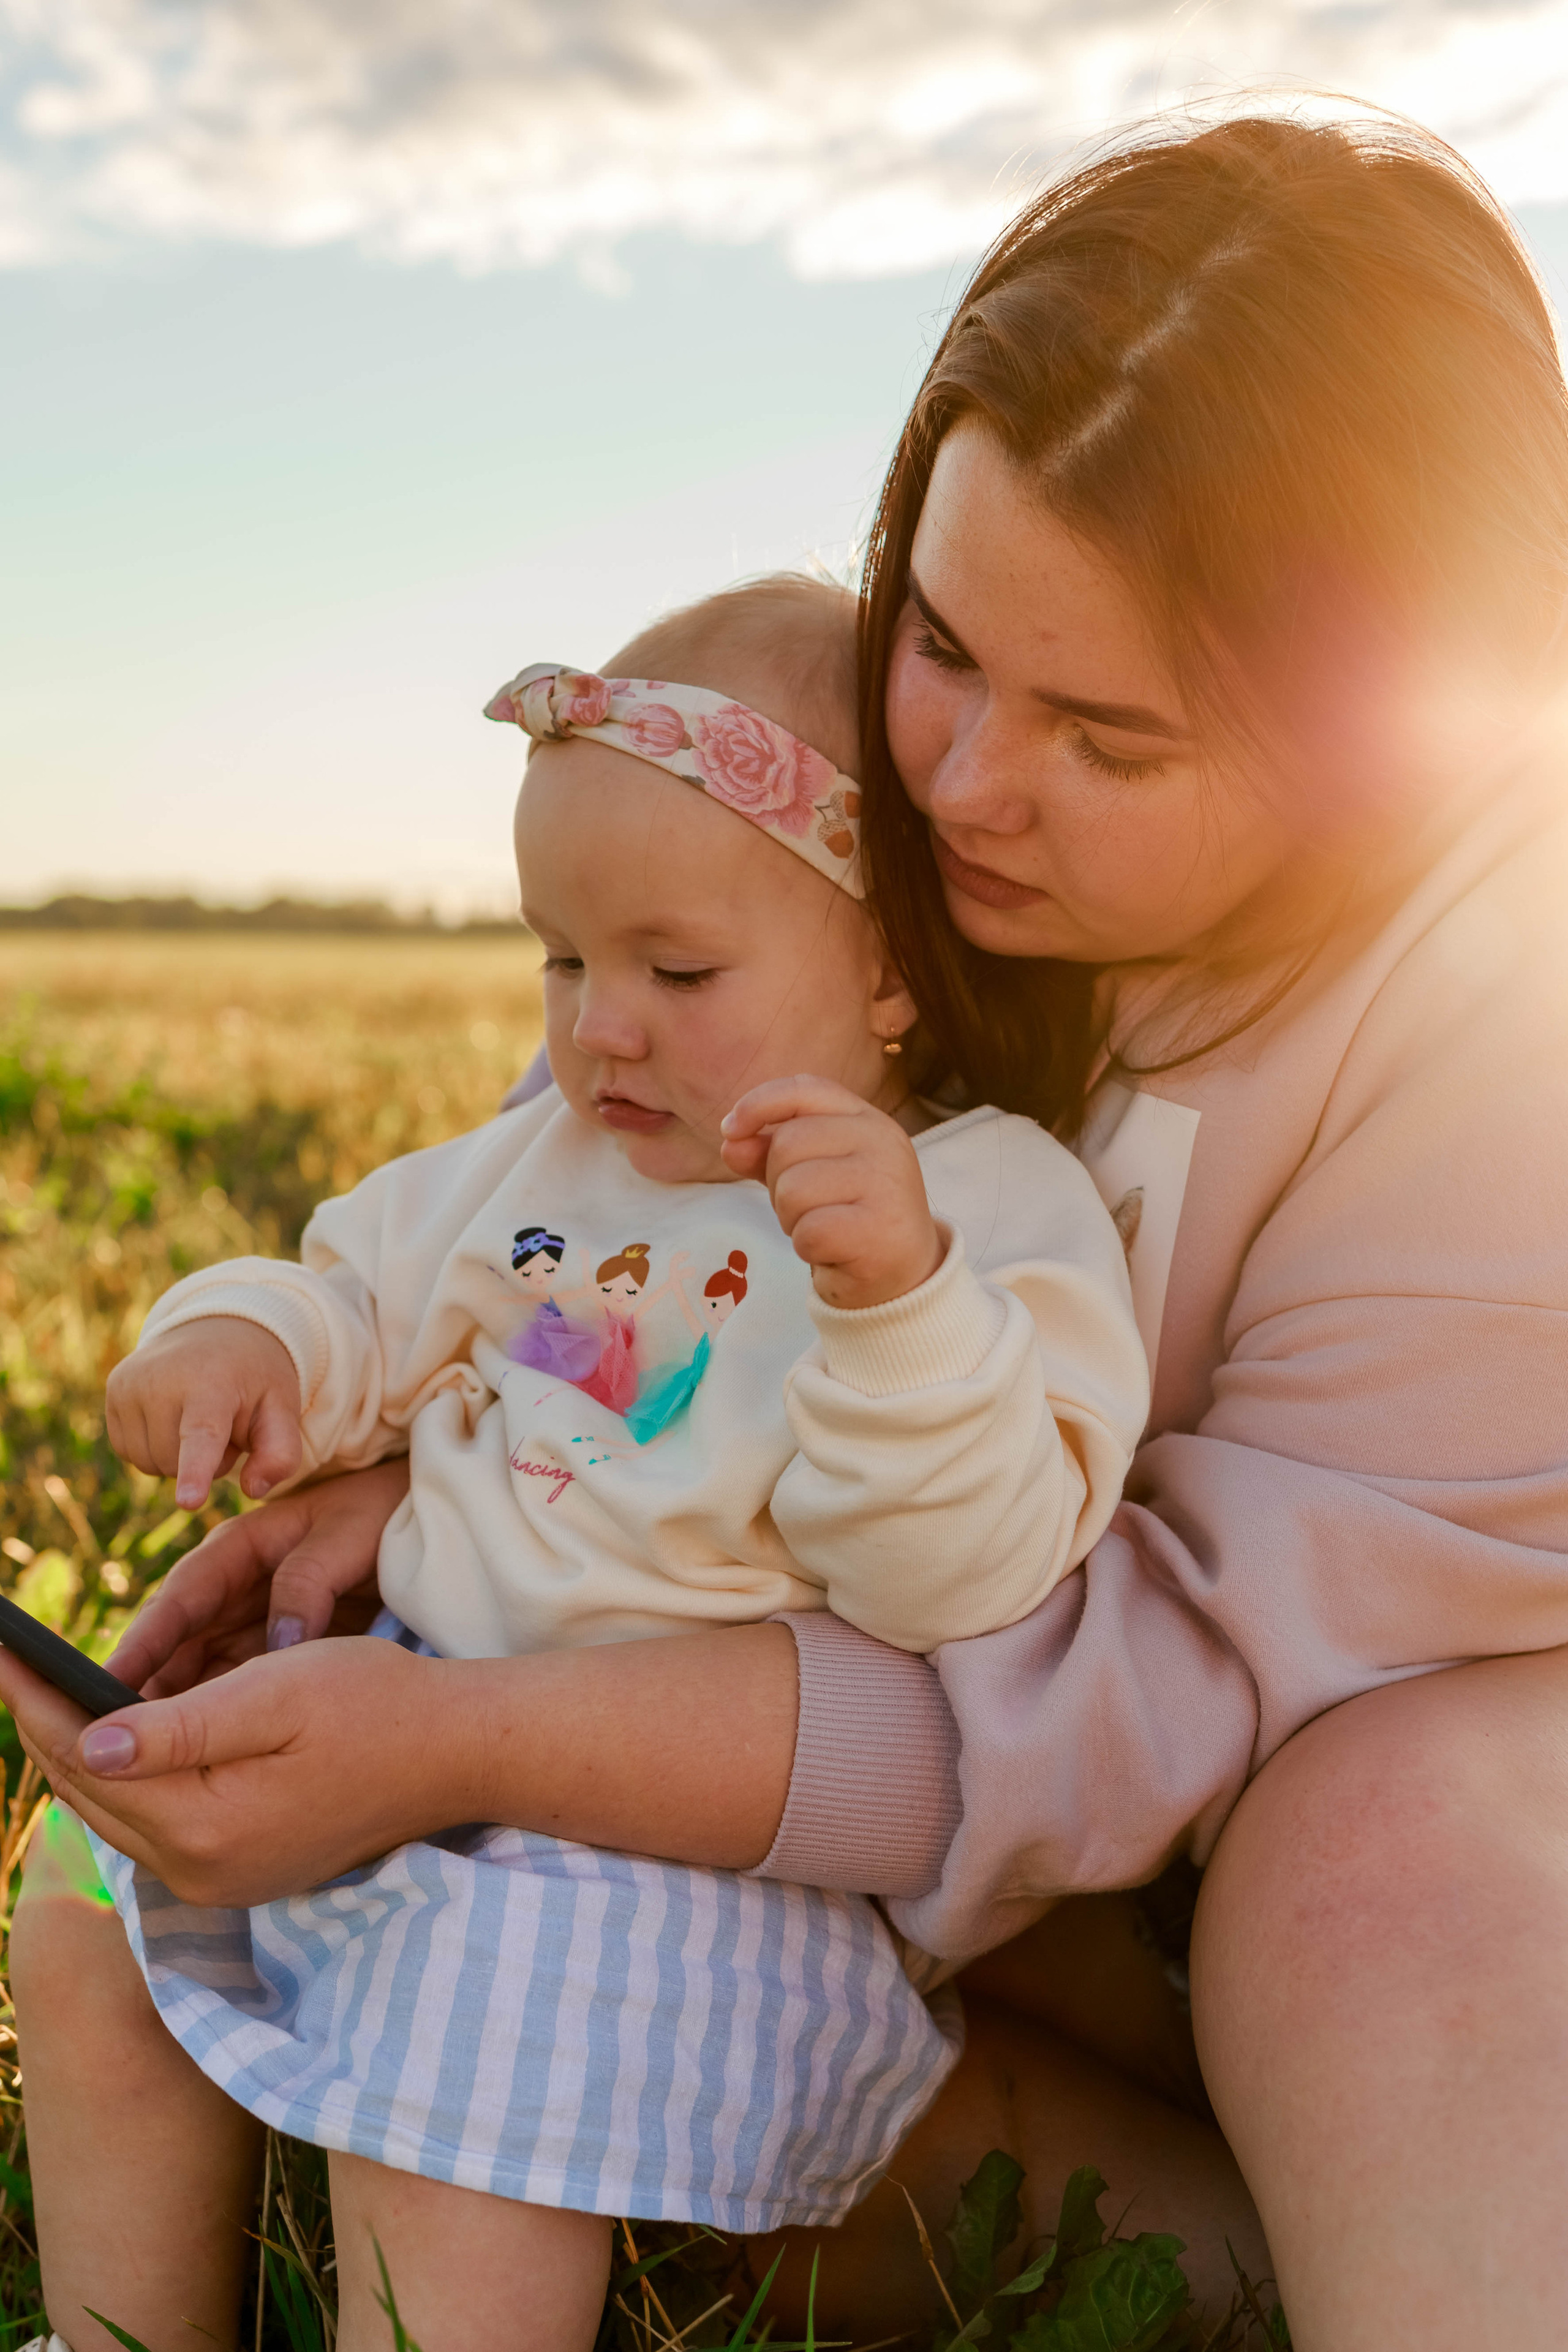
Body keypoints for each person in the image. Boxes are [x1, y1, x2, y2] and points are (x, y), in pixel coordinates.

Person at [9, 104, 1568, 2349]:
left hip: (1356, 1841)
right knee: (547, 2040)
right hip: (990, 1882)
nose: (953, 787)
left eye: (1111, 740)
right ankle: (1150, 2238)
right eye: (941, 639)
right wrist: (425, 1460)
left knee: (1370, 1857)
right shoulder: (870, 874)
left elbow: (1149, 1704)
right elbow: (586, 1250)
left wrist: (478, 1735)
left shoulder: (1502, 1028)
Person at [9, 577, 1148, 2352]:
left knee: (471, 2071)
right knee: (83, 1899)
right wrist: (244, 1345)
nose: (599, 1025)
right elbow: (355, 1289)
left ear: (897, 972)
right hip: (409, 1730)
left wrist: (899, 1309)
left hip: (673, 1861)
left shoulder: (987, 1210)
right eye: (562, 957)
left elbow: (964, 1582)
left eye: (675, 971)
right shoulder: (538, 1159)